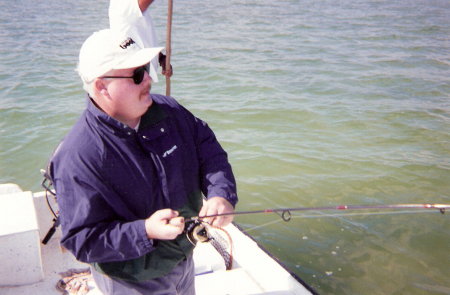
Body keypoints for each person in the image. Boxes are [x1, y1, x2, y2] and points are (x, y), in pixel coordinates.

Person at [50, 29, 237, 294]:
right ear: (101, 86)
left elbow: (209, 150)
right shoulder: (79, 156)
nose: (149, 79)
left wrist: (221, 194)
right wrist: (145, 230)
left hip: (183, 257)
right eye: (137, 74)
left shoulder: (169, 111)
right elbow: (82, 240)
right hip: (132, 278)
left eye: (147, 68)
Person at [109, 0, 173, 82]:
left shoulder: (134, 9)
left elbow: (140, 39)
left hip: (141, 77)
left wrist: (160, 58)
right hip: (131, 78)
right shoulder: (123, 3)